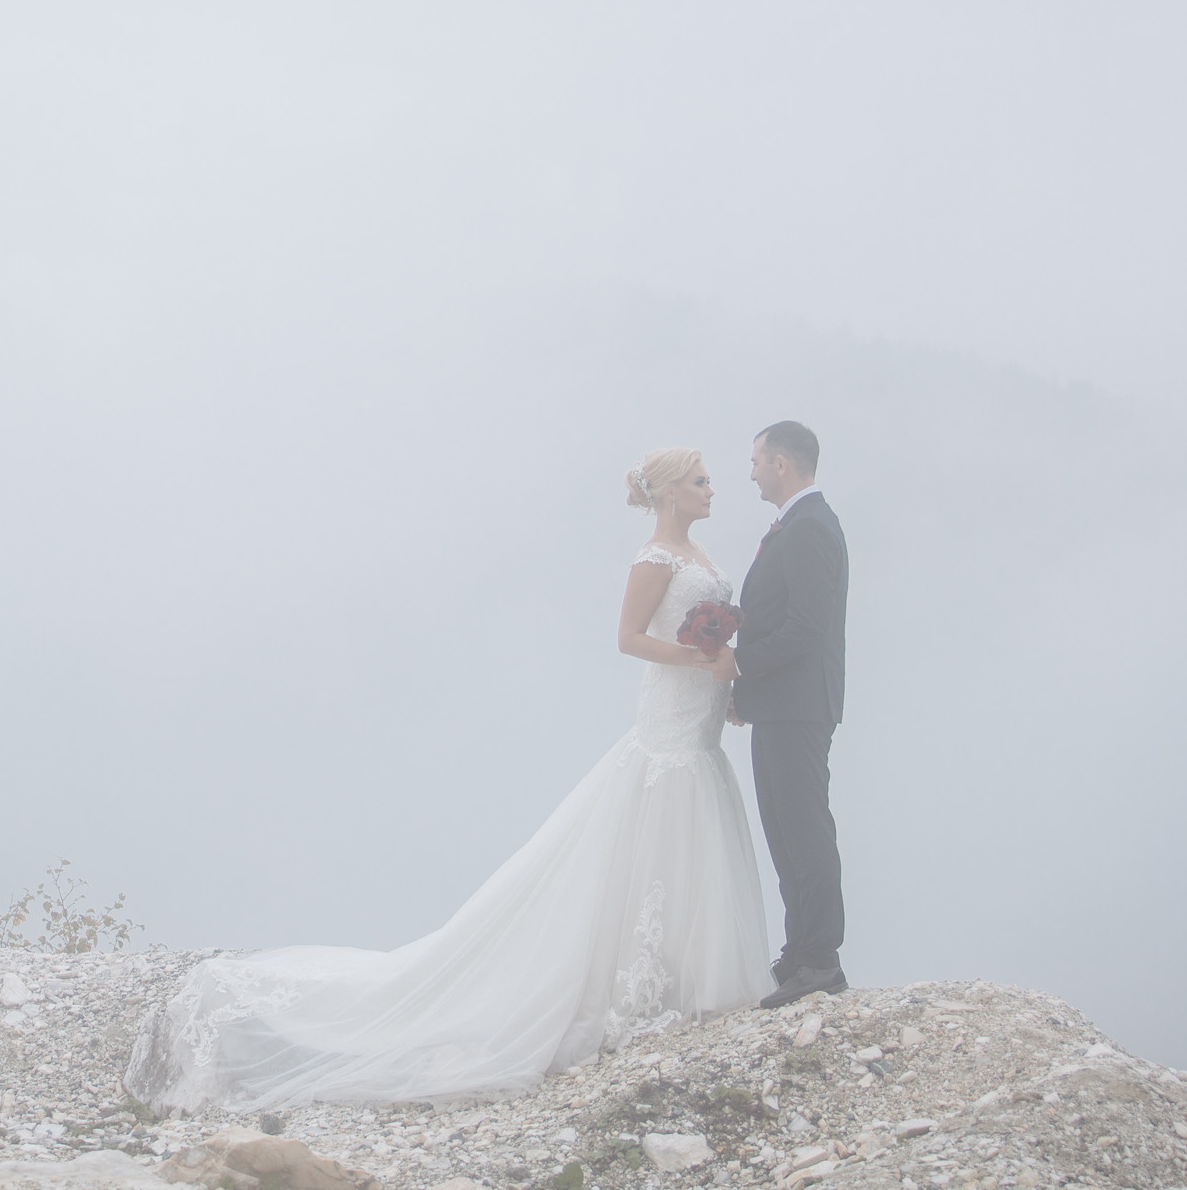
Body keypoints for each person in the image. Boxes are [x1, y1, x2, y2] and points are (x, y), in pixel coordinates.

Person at [124, 448, 770, 1112]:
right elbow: (629, 638)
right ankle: (643, 986)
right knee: (655, 829)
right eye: (700, 481)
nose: (712, 489)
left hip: (699, 720)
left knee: (681, 837)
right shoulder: (655, 558)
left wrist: (720, 677)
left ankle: (681, 978)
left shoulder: (698, 554)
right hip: (668, 724)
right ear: (670, 491)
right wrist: (701, 656)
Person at [729, 419, 851, 1008]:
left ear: (781, 463)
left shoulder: (810, 527)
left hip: (799, 708)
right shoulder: (798, 524)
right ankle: (799, 952)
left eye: (756, 461)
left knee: (804, 830)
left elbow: (806, 627)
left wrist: (737, 664)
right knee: (784, 832)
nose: (751, 473)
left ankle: (821, 960)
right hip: (779, 706)